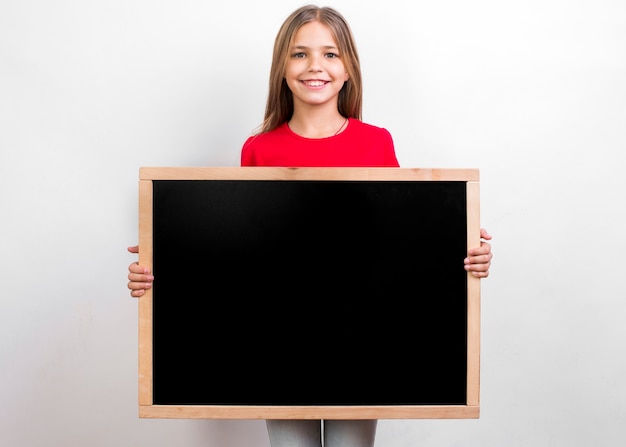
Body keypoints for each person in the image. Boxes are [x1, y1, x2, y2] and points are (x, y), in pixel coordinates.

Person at [127, 4, 493, 447]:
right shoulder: (259, 150)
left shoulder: (376, 143)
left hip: (359, 340)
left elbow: (401, 240)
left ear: (348, 70)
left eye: (330, 55)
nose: (315, 66)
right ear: (282, 67)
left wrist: (461, 249)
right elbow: (241, 255)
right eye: (300, 54)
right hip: (280, 343)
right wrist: (165, 262)